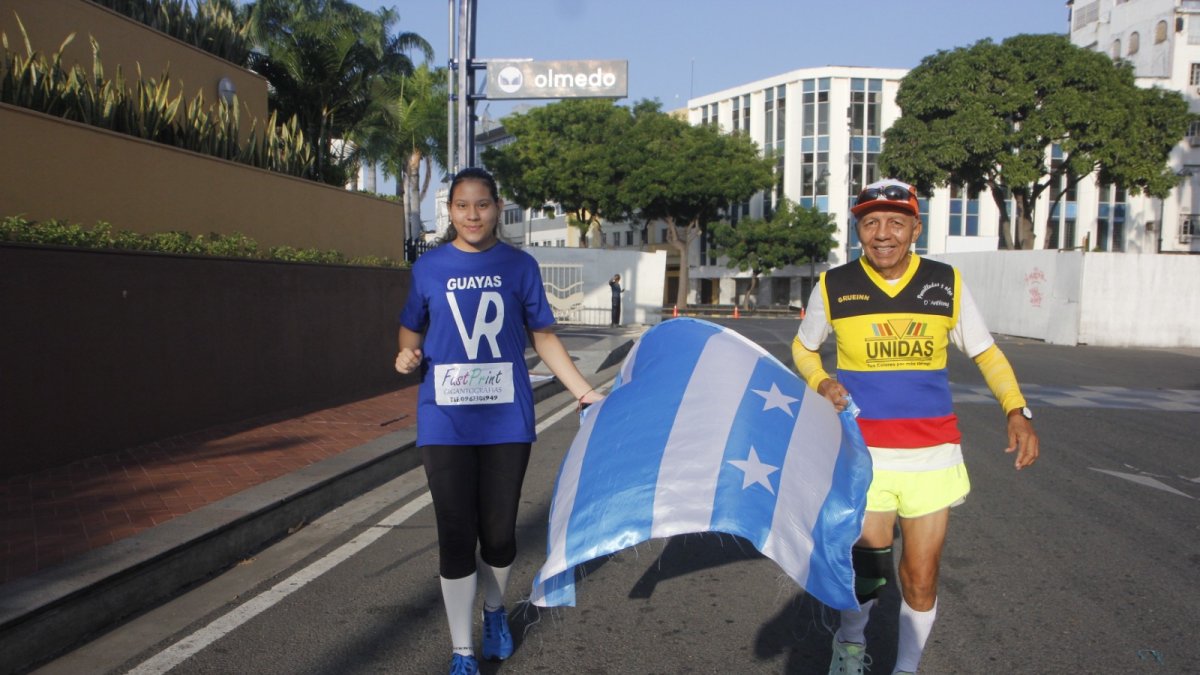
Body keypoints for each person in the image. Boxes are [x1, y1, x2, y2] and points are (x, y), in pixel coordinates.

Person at [791, 178, 1040, 675]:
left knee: (921, 577)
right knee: (868, 571)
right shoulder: (834, 285)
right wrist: (822, 382)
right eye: (871, 223)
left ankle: (906, 668)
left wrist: (1017, 410)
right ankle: (851, 646)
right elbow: (804, 347)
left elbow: (986, 352)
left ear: (915, 229)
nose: (883, 233)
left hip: (932, 455)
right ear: (859, 230)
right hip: (865, 454)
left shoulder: (946, 283)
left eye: (895, 223)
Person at [395, 167, 604, 675]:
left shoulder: (519, 265)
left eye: (482, 205)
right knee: (454, 534)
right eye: (462, 206)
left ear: (497, 207)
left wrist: (583, 391)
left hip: (505, 420)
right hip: (444, 421)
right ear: (450, 210)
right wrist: (406, 355)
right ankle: (461, 650)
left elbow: (544, 336)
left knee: (499, 535)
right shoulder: (428, 268)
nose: (472, 215)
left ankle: (494, 611)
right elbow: (409, 330)